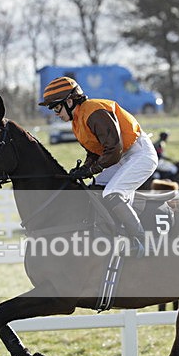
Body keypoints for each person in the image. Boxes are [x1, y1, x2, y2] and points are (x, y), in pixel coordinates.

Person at [39, 76, 158, 257]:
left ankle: (143, 241)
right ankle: (108, 235)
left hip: (139, 154)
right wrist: (85, 168)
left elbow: (113, 149)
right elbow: (95, 151)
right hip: (121, 157)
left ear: (70, 101)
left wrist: (92, 169)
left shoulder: (94, 110)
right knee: (94, 190)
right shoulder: (77, 120)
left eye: (56, 107)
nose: (55, 113)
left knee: (112, 193)